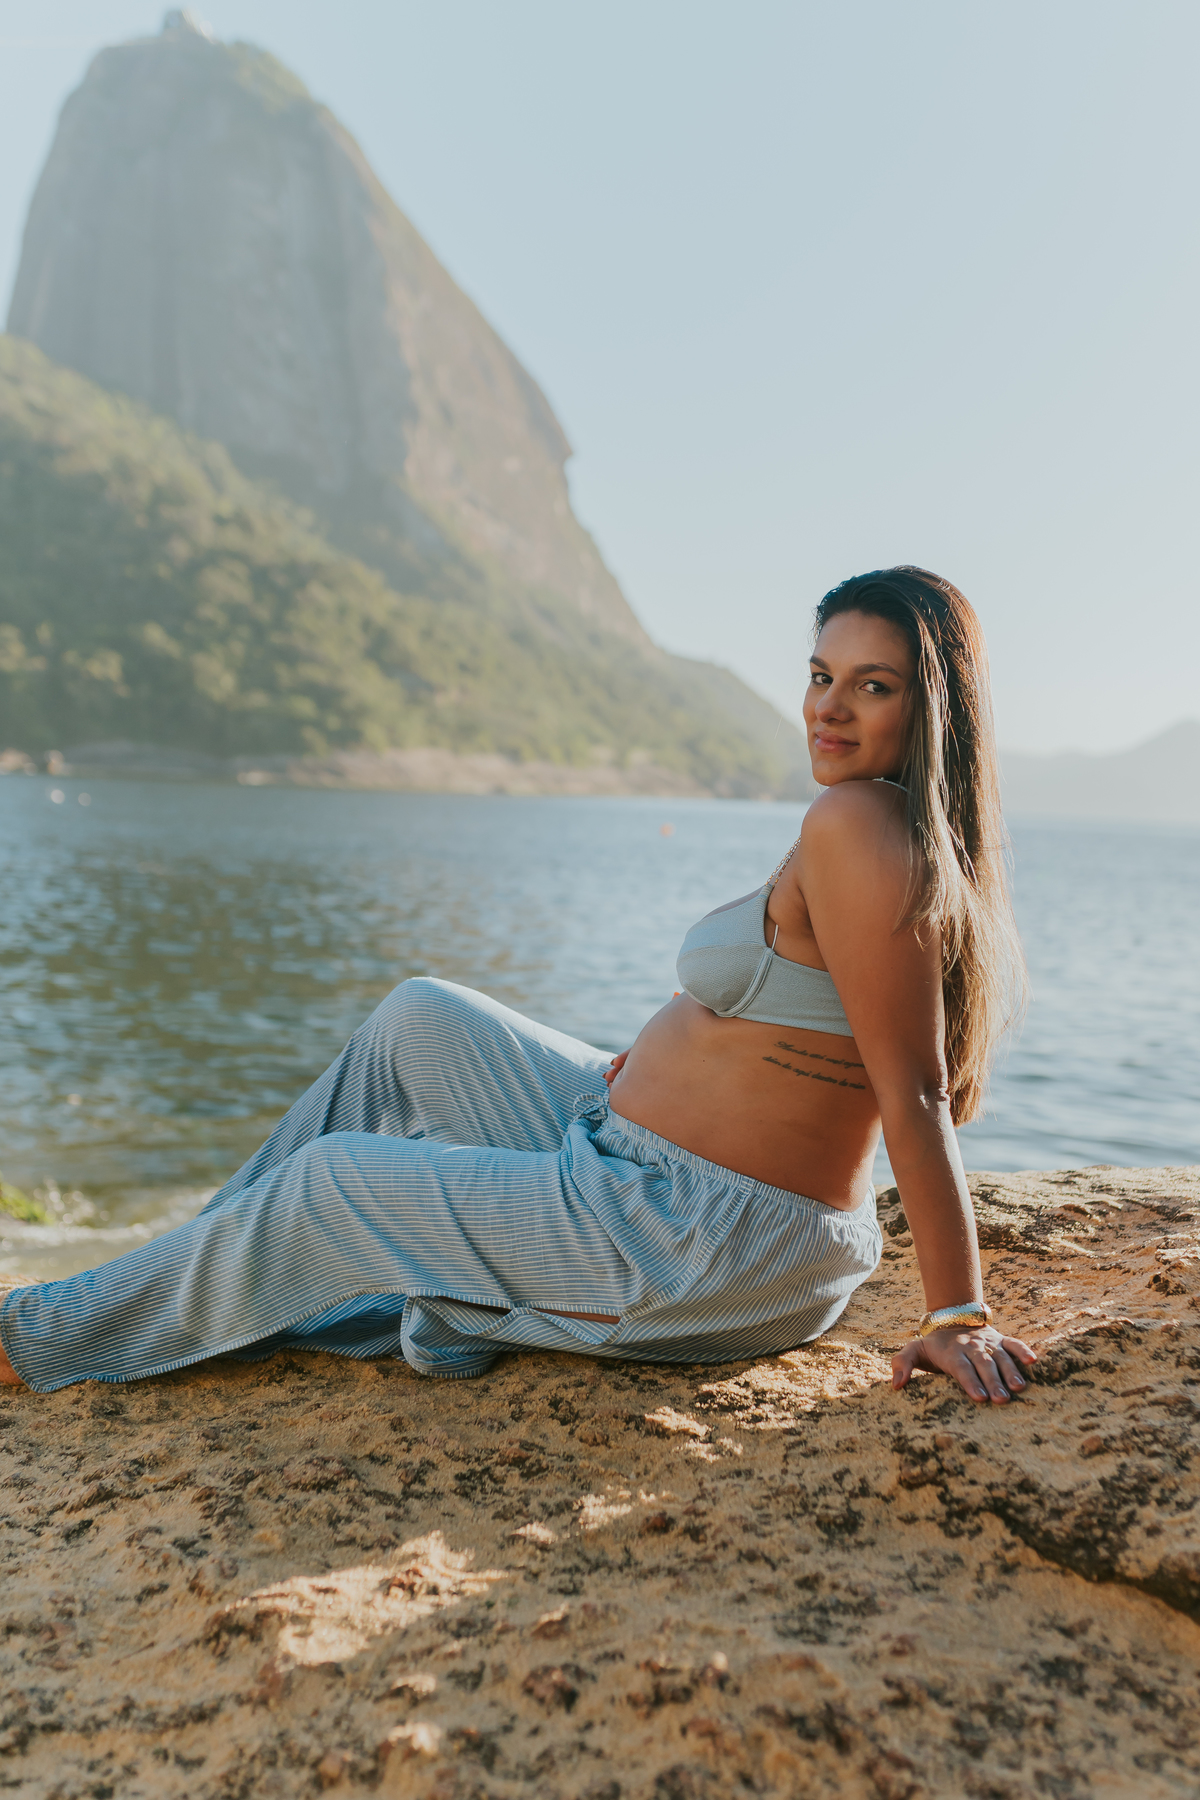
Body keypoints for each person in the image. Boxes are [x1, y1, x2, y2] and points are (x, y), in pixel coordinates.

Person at [0, 567, 1035, 1403]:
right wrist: (674, 1059)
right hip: (662, 1169)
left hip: (685, 1237)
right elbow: (797, 1030)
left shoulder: (857, 827)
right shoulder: (887, 827)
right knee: (421, 1021)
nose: (829, 708)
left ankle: (39, 1337)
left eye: (873, 685)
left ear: (929, 706)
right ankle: (178, 1274)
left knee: (337, 1187)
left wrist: (958, 1315)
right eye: (820, 675)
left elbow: (916, 1091)